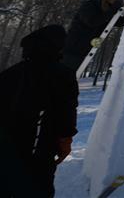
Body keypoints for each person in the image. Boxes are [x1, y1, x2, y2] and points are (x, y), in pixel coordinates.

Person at [0, 25, 78, 197]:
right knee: (37, 187)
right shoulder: (62, 75)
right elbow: (66, 111)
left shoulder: (9, 74)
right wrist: (66, 141)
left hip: (7, 147)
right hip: (39, 147)